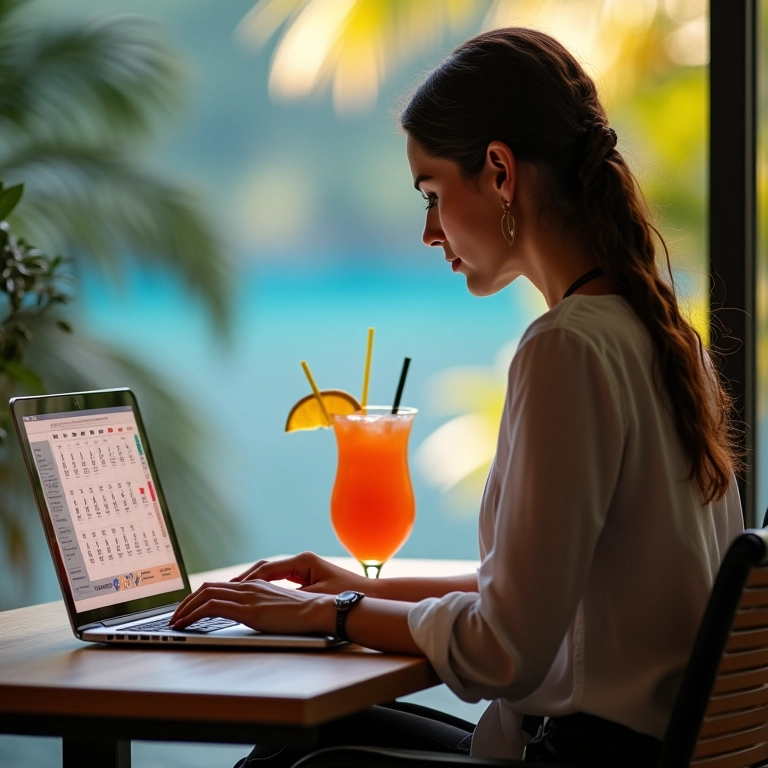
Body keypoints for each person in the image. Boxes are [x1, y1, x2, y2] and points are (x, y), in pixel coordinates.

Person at [170, 27, 744, 767]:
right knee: (305, 743)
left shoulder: (566, 348)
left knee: (306, 761)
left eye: (435, 194)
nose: (428, 231)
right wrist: (362, 585)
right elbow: (536, 592)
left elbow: (504, 651)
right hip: (649, 752)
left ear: (501, 172)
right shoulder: (662, 336)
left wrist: (329, 614)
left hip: (586, 756)